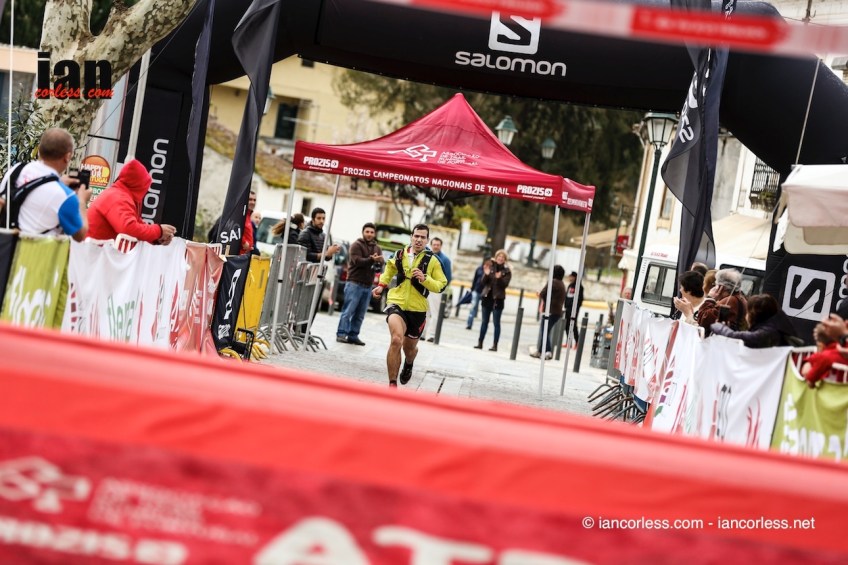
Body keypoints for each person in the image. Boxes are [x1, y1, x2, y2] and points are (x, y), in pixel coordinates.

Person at [371, 224, 447, 387]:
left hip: (418, 309)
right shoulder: (400, 254)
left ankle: (409, 363)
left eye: (422, 237)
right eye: (416, 236)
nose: (419, 240)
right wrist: (381, 285)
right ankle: (392, 384)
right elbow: (389, 270)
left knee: (409, 349)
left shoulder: (433, 260)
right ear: (411, 237)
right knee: (396, 339)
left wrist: (425, 279)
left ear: (427, 240)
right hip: (396, 302)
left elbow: (441, 285)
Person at [1, 128, 91, 241]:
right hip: (31, 251)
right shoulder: (65, 196)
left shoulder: (16, 169)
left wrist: (58, 182)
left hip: (4, 245)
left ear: (39, 150)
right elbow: (80, 235)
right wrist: (81, 201)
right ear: (67, 156)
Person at [87, 159, 176, 244]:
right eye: (146, 185)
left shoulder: (120, 194)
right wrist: (158, 231)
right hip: (93, 251)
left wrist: (157, 237)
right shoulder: (119, 197)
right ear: (139, 184)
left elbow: (137, 224)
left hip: (96, 249)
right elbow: (128, 228)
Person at [336, 222, 383, 346]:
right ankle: (341, 334)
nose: (369, 234)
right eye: (367, 232)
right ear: (363, 232)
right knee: (348, 311)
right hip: (354, 283)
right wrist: (371, 259)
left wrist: (380, 261)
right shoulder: (356, 245)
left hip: (368, 285)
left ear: (375, 234)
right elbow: (357, 261)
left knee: (360, 314)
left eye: (372, 232)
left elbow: (379, 264)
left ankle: (353, 335)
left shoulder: (377, 248)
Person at [710, 293, 799, 348]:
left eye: (747, 312)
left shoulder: (769, 332)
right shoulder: (776, 326)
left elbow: (735, 336)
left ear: (753, 314)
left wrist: (718, 326)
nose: (746, 316)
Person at [475, 249, 512, 352]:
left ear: (505, 259)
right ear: (496, 258)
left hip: (498, 300)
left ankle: (495, 345)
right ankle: (480, 343)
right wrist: (486, 274)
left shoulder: (507, 271)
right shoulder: (490, 267)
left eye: (502, 257)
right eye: (499, 256)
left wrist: (499, 278)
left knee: (496, 323)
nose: (500, 258)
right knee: (484, 322)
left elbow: (505, 285)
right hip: (487, 298)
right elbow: (483, 283)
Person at [697, 268, 747, 336]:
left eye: (716, 284)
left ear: (720, 287)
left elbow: (704, 320)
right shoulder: (740, 298)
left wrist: (710, 298)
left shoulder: (729, 301)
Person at [531, 265, 565, 360]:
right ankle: (540, 351)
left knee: (544, 331)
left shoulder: (552, 282)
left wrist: (539, 293)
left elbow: (543, 293)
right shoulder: (561, 284)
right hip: (557, 311)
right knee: (546, 331)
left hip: (550, 311)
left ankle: (548, 351)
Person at [801, 321, 846, 388]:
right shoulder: (844, 349)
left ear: (820, 344)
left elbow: (810, 382)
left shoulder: (824, 357)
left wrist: (811, 361)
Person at [424, 236, 452, 342]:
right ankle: (422, 334)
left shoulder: (445, 260)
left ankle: (431, 335)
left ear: (441, 246)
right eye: (434, 244)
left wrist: (439, 288)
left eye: (438, 245)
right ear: (431, 245)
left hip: (436, 290)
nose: (436, 246)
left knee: (435, 313)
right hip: (425, 288)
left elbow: (448, 277)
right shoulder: (427, 256)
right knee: (424, 312)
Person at [563, 270, 584, 345]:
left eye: (571, 277)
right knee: (566, 325)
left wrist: (576, 307)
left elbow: (580, 299)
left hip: (574, 309)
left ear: (575, 277)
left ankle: (577, 342)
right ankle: (569, 342)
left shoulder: (579, 287)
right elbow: (567, 296)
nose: (570, 278)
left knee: (573, 325)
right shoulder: (570, 286)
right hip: (567, 308)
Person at [466, 260, 486, 330]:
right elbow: (475, 279)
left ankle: (484, 326)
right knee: (473, 307)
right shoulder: (479, 269)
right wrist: (472, 289)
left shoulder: (492, 270)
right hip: (476, 290)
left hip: (486, 292)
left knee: (484, 310)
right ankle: (469, 324)